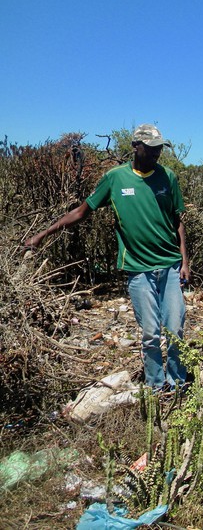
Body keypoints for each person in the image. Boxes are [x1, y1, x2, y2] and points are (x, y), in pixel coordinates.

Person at [24, 124, 190, 391]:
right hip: (138, 269)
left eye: (160, 148)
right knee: (150, 334)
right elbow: (81, 212)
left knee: (175, 330)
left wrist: (185, 261)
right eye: (151, 148)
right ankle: (156, 387)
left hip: (170, 266)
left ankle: (178, 383)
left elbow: (177, 221)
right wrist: (42, 235)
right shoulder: (115, 178)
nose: (157, 153)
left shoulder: (167, 177)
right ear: (136, 147)